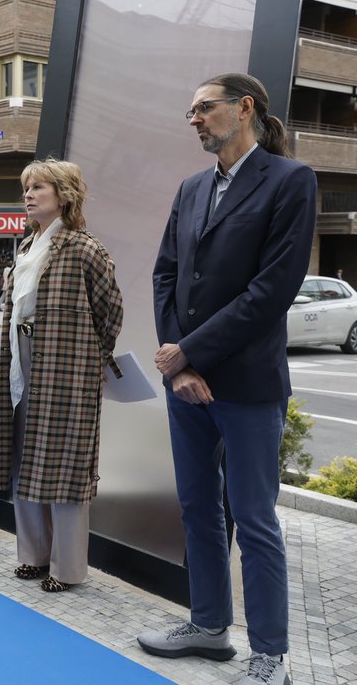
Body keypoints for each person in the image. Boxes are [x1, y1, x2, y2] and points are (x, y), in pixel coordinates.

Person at [139, 73, 317, 685]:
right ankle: (210, 627)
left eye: (203, 108)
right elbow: (165, 273)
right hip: (186, 384)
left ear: (243, 109)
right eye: (189, 110)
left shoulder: (291, 181)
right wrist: (179, 363)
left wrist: (189, 352)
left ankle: (270, 655)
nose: (193, 119)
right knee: (196, 509)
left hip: (244, 383)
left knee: (253, 517)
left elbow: (270, 291)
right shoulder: (191, 188)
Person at [0, 159, 123, 593]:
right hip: (22, 359)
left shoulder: (85, 248)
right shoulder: (27, 246)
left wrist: (91, 360)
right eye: (26, 188)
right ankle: (33, 555)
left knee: (65, 465)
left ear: (64, 194)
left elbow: (112, 312)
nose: (28, 195)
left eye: (39, 188)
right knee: (25, 456)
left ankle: (66, 569)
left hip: (67, 367)